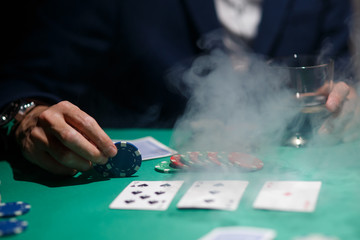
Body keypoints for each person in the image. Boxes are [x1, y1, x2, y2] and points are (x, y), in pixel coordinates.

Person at [0, 0, 356, 176]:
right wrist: (25, 116)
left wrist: (348, 104)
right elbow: (23, 76)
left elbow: (337, 78)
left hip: (296, 156)